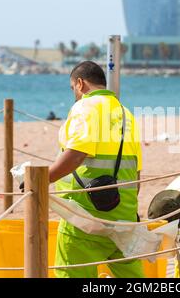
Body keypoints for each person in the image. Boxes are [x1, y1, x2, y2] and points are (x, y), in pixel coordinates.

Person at [48, 61, 143, 278]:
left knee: (69, 273)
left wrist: (41, 179)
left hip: (84, 215)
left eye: (73, 88)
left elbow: (76, 153)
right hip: (123, 214)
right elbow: (136, 172)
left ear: (80, 84)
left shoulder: (85, 107)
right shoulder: (126, 113)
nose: (74, 93)